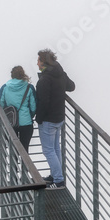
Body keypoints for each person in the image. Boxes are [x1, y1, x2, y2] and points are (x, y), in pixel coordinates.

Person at [35, 49, 76, 189]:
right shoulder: (60, 73)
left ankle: (58, 180)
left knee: (48, 150)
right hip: (59, 117)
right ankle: (55, 175)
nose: (37, 63)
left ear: (43, 62)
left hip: (48, 119)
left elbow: (43, 102)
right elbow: (71, 87)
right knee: (55, 148)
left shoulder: (46, 78)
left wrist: (38, 118)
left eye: (38, 60)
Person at [0, 66, 37, 151]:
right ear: (23, 74)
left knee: (13, 150)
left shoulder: (5, 87)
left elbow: (0, 103)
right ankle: (24, 164)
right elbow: (33, 106)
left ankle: (14, 163)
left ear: (12, 75)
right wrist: (29, 116)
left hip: (11, 122)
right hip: (26, 123)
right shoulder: (29, 87)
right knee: (25, 149)